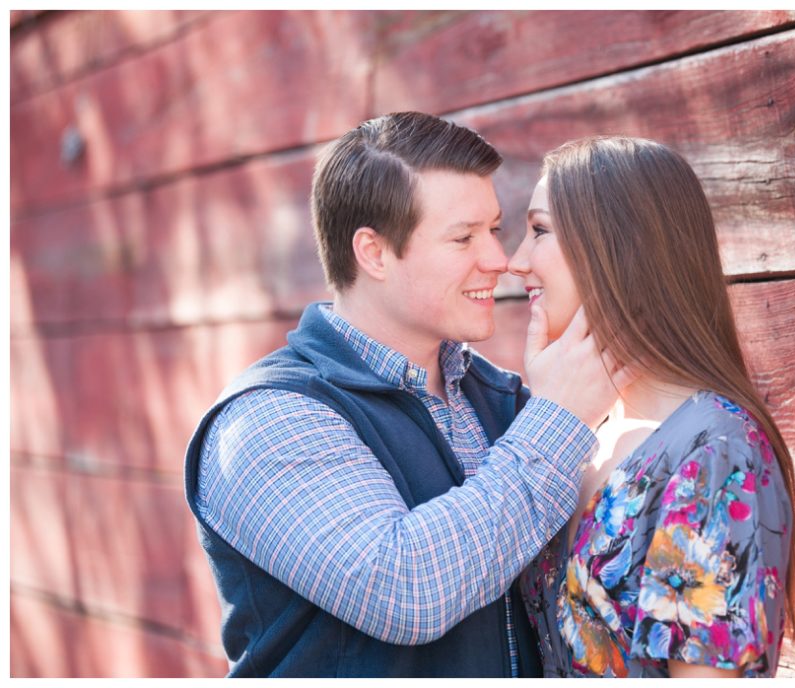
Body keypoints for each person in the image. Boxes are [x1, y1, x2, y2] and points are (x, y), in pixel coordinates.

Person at [183, 112, 632, 677]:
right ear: (373, 253)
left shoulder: (503, 400)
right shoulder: (266, 420)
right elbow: (405, 589)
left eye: (494, 229)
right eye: (463, 237)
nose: (498, 259)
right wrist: (561, 418)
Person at [508, 136, 795, 678]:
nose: (516, 260)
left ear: (618, 246)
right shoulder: (583, 433)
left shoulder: (716, 451)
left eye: (540, 230)